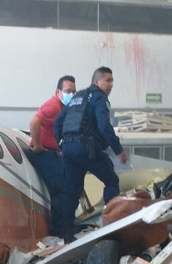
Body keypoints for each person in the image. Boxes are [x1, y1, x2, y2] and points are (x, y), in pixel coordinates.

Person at [54, 66, 128, 243]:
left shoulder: (77, 97)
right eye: (107, 80)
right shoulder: (99, 97)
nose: (111, 85)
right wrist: (119, 150)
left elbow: (58, 122)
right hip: (86, 148)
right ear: (97, 81)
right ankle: (110, 227)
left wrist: (60, 145)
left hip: (69, 149)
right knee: (111, 180)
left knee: (72, 191)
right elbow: (104, 126)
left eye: (112, 81)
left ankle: (66, 234)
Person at [27, 75, 76, 240]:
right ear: (58, 91)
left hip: (53, 152)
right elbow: (34, 122)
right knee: (60, 190)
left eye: (73, 92)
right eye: (68, 91)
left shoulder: (63, 107)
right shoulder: (53, 106)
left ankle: (65, 229)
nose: (71, 94)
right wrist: (38, 146)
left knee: (67, 187)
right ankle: (58, 232)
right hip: (44, 153)